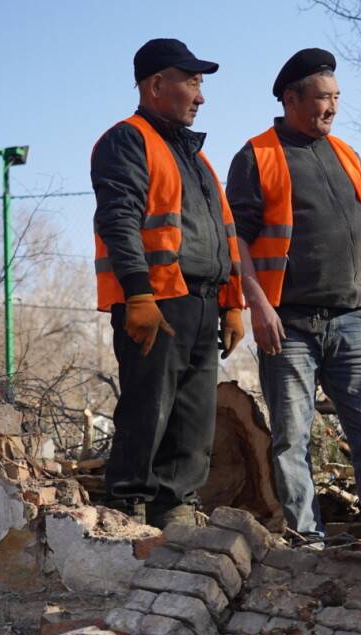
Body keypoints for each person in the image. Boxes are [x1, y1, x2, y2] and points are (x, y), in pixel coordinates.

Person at [227, 48, 361, 548]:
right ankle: (308, 541)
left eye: (336, 98)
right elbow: (235, 238)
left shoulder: (348, 155)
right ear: (291, 99)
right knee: (292, 438)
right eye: (322, 98)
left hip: (353, 318)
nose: (331, 108)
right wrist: (258, 305)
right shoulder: (256, 155)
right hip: (289, 322)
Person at [92, 38, 253, 529]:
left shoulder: (197, 160)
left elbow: (223, 237)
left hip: (201, 302)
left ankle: (176, 507)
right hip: (157, 301)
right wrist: (138, 294)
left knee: (193, 413)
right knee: (149, 407)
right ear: (157, 84)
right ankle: (127, 507)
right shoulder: (127, 140)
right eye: (193, 82)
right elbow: (119, 220)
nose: (200, 96)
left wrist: (232, 304)